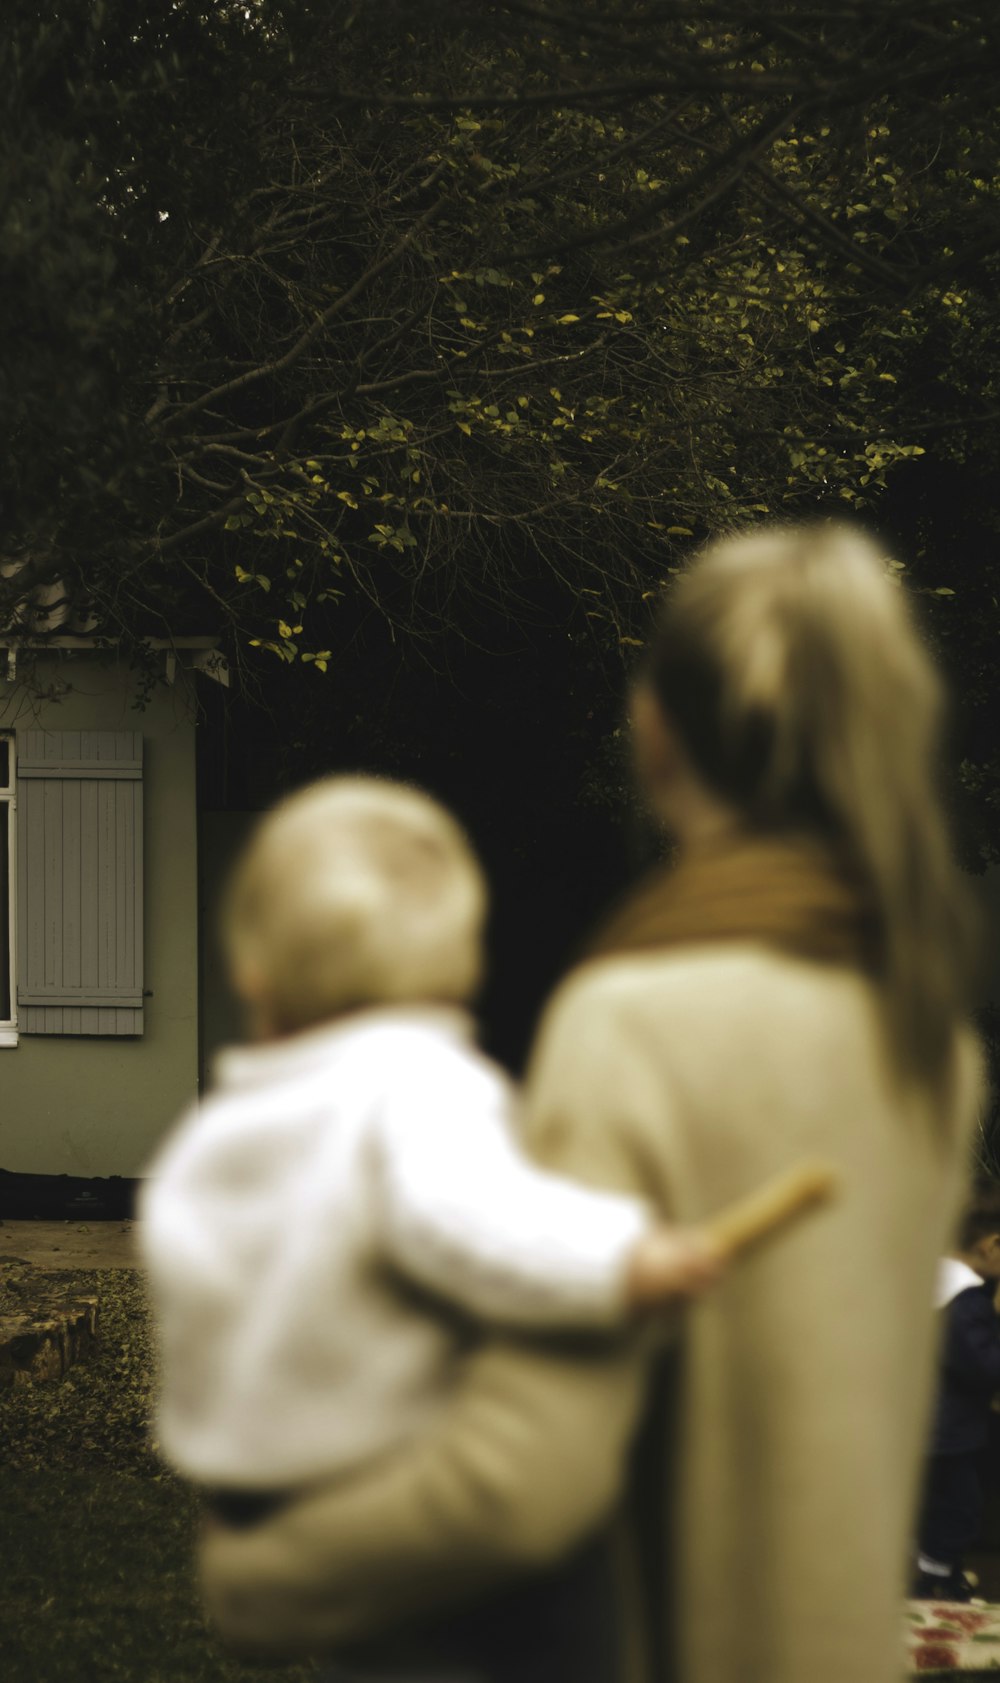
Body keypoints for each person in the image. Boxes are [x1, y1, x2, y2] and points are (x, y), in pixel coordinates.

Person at [200, 520, 984, 1683]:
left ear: (656, 730)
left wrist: (271, 1575)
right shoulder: (923, 1036)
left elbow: (533, 1476)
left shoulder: (634, 1018)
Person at [139, 779, 720, 1572]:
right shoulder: (420, 1080)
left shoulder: (218, 1128)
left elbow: (188, 1260)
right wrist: (621, 1257)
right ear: (460, 962)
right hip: (375, 1466)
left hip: (245, 1476)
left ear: (253, 975)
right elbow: (477, 1223)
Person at [914, 1184, 1000, 1602]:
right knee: (960, 1508)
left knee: (937, 1505)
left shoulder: (935, 1283)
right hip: (949, 1431)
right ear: (992, 1244)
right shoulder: (966, 1304)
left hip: (927, 1423)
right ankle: (936, 1577)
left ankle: (932, 1567)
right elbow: (984, 1365)